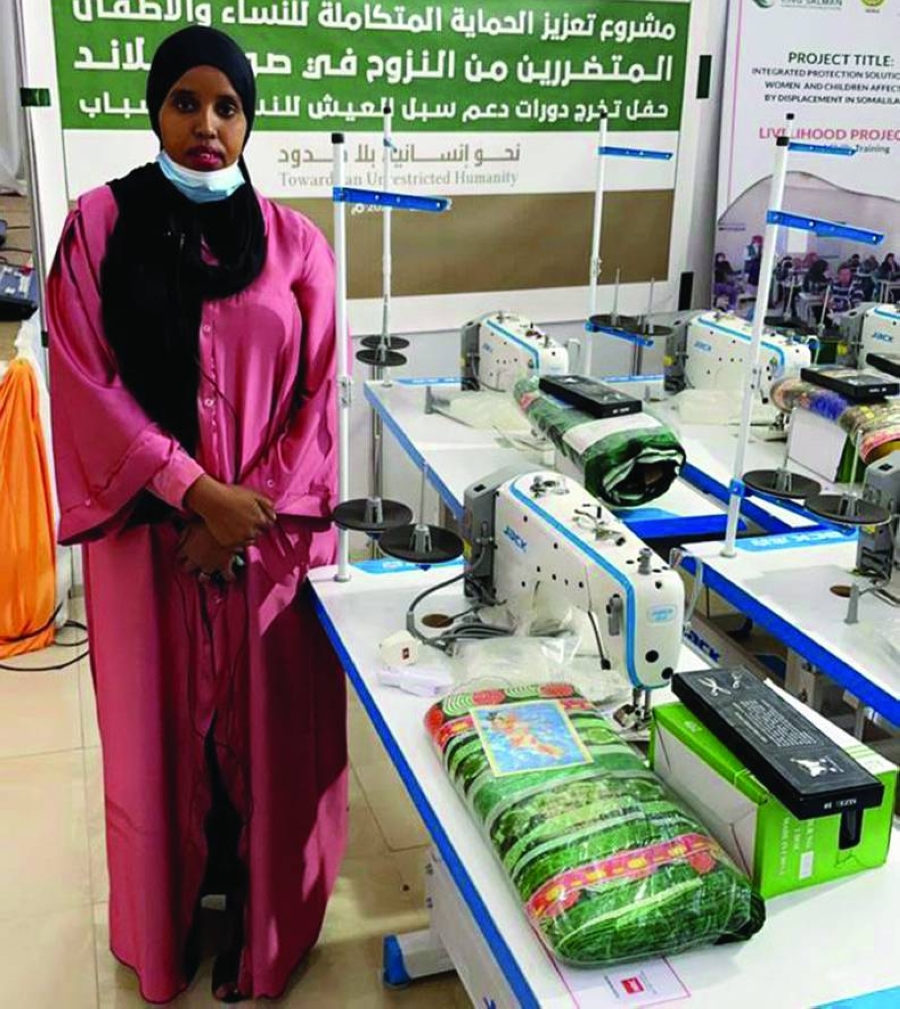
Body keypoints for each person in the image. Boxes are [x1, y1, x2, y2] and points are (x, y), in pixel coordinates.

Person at [47, 26, 347, 1004]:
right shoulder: (99, 227)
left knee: (271, 737)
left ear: (249, 121)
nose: (207, 124)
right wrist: (193, 491)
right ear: (156, 111)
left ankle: (267, 927)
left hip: (262, 542)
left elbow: (318, 395)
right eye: (186, 102)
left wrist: (237, 515)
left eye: (227, 106)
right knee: (157, 743)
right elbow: (84, 378)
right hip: (148, 542)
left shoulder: (295, 243)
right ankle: (168, 926)